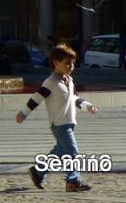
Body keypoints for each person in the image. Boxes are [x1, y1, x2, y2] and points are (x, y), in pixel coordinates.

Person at [17, 43, 98, 192]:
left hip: (69, 123)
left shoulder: (69, 81)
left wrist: (88, 106)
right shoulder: (50, 82)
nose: (71, 66)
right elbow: (36, 98)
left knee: (60, 152)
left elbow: (75, 99)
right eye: (67, 63)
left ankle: (37, 171)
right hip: (59, 124)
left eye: (73, 63)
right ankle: (73, 181)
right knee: (73, 152)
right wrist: (23, 113)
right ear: (56, 62)